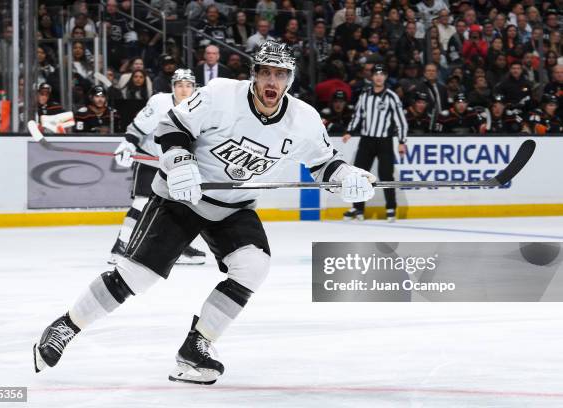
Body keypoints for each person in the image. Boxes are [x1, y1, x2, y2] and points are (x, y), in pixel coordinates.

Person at [32, 40, 376, 384]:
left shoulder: (303, 119)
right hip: (180, 197)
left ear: (290, 79)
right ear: (254, 75)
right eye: (266, 73)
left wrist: (347, 177)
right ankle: (65, 326)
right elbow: (171, 127)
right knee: (138, 276)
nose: (272, 82)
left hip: (233, 205)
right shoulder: (220, 95)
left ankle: (196, 347)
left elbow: (324, 164)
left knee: (253, 265)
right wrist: (180, 161)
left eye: (281, 75)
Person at [111, 69, 206, 265]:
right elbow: (137, 127)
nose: (184, 89)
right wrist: (128, 144)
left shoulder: (200, 107)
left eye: (188, 85)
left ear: (194, 88)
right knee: (142, 203)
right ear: (173, 87)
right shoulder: (159, 102)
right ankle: (121, 246)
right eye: (180, 85)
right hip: (150, 159)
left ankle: (174, 249)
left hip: (176, 165)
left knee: (181, 207)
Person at [342, 64, 408, 222]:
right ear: (371, 77)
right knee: (359, 175)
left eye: (382, 74)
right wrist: (349, 131)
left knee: (386, 175)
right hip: (366, 141)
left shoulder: (391, 96)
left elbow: (401, 121)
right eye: (376, 74)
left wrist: (401, 141)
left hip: (384, 141)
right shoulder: (365, 95)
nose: (379, 77)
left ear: (385, 77)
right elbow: (357, 115)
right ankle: (358, 208)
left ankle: (391, 208)